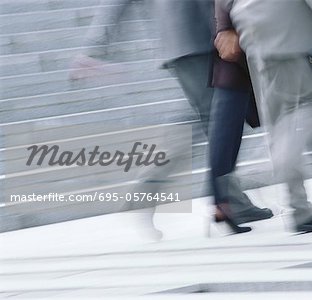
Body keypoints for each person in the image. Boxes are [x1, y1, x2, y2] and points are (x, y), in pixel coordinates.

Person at [71, 0, 273, 234]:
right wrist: (95, 47)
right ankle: (150, 193)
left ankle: (231, 200)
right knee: (218, 118)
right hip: (194, 37)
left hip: (195, 36)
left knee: (209, 117)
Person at [215, 0, 312, 232]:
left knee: (280, 123)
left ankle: (299, 209)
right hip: (287, 29)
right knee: (311, 109)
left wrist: (225, 27)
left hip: (252, 31)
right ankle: (258, 175)